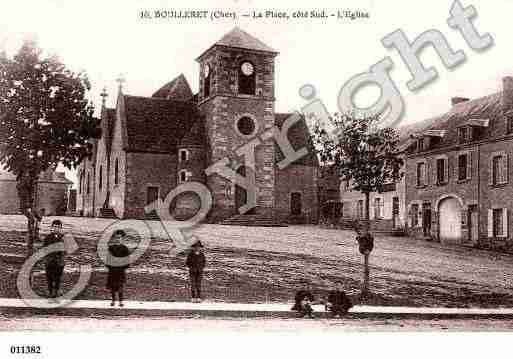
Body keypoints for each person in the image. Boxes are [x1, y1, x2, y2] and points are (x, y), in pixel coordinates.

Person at [42, 219, 66, 301]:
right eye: (55, 227)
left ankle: (56, 290)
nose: (56, 228)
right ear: (51, 228)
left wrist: (62, 260)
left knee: (58, 277)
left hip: (59, 261)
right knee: (49, 276)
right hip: (50, 261)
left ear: (61, 228)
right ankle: (50, 290)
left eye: (58, 227)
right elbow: (44, 249)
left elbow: (65, 250)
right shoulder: (47, 238)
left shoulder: (63, 238)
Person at [106, 230, 130, 307]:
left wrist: (122, 265)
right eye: (116, 238)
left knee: (120, 286)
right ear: (114, 239)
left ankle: (120, 301)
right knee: (112, 286)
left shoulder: (125, 248)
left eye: (119, 238)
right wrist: (111, 266)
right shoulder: (111, 248)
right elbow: (108, 260)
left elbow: (127, 261)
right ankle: (113, 300)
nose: (117, 239)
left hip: (120, 270)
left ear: (122, 239)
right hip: (112, 270)